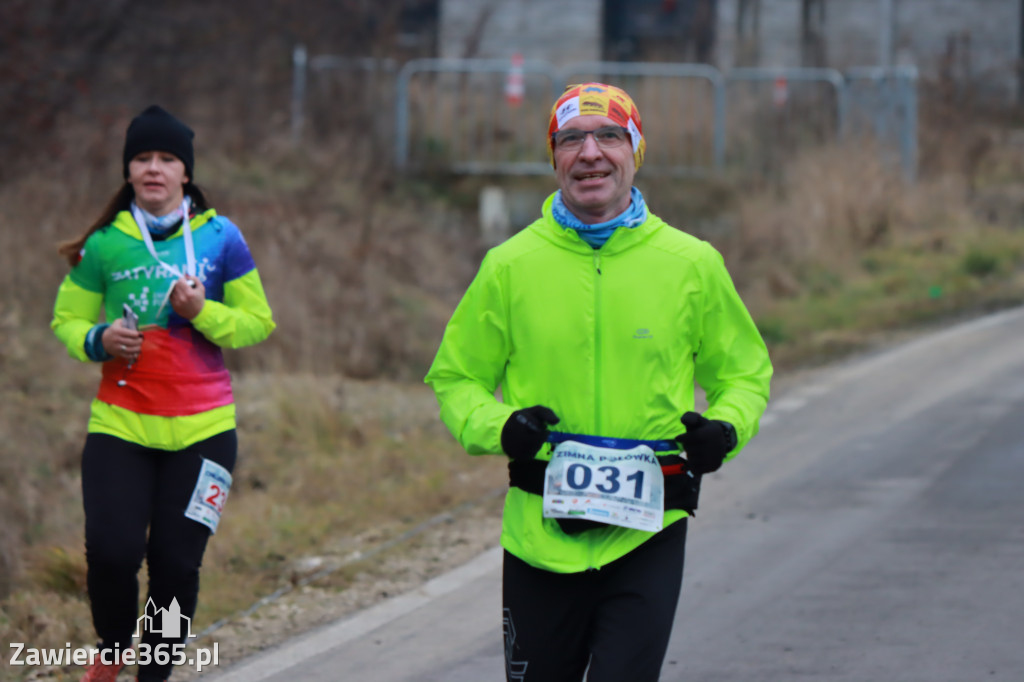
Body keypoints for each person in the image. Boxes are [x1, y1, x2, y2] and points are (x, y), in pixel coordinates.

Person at [424, 83, 772, 681]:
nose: (590, 153)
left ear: (635, 151)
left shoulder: (692, 264)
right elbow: (457, 379)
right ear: (554, 158)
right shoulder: (509, 267)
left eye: (609, 136)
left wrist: (726, 429)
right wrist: (501, 426)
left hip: (648, 534)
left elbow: (743, 373)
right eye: (571, 140)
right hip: (539, 534)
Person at [51, 105, 276, 682]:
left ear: (185, 173)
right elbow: (66, 321)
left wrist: (203, 312)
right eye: (142, 158)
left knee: (175, 566)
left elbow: (257, 322)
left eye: (167, 159)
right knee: (112, 553)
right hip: (121, 426)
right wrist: (100, 339)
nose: (154, 168)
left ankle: (155, 673)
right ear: (128, 171)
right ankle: (113, 648)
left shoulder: (222, 238)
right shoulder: (104, 244)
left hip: (203, 431)